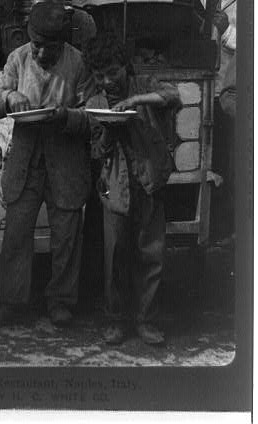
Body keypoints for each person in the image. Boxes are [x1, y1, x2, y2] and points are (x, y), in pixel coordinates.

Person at [0, 1, 92, 328]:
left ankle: (61, 301)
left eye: (51, 47)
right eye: (37, 46)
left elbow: (93, 115)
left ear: (64, 42)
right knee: (16, 233)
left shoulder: (79, 63)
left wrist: (67, 117)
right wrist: (8, 98)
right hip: (26, 160)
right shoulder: (17, 58)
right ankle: (10, 303)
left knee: (66, 235)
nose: (41, 54)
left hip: (66, 160)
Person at [83, 33, 181, 346]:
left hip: (149, 182)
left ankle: (147, 321)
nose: (108, 81)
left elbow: (172, 96)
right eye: (100, 76)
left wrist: (135, 103)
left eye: (113, 72)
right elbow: (96, 152)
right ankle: (115, 322)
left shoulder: (145, 86)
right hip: (114, 187)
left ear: (125, 66)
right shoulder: (95, 104)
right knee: (115, 257)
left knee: (151, 254)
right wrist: (109, 134)